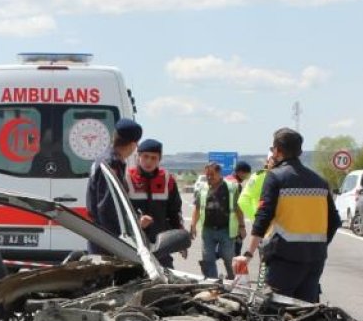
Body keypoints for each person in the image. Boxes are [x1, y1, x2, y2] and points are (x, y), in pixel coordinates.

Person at [233, 128, 339, 303]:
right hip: (315, 259)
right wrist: (319, 244)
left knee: (271, 313)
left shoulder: (275, 177)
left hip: (283, 259)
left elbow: (263, 217)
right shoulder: (319, 181)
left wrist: (248, 253)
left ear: (276, 151)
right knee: (306, 313)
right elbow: (334, 221)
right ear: (300, 152)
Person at [123, 138, 184, 267]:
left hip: (161, 244)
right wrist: (138, 221)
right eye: (145, 156)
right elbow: (120, 212)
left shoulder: (167, 180)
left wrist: (180, 240)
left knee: (167, 281)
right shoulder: (127, 178)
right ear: (138, 156)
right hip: (133, 244)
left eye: (153, 158)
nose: (149, 161)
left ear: (159, 159)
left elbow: (175, 212)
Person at [85, 118, 142, 255]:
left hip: (101, 236)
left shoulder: (106, 160)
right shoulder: (111, 165)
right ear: (133, 145)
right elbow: (107, 207)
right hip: (107, 240)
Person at [189, 162, 245, 278]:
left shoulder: (231, 187)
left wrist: (242, 226)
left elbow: (238, 209)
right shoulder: (202, 188)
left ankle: (233, 281)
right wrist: (193, 225)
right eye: (207, 175)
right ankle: (213, 283)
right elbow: (198, 207)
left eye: (212, 174)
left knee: (229, 257)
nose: (209, 177)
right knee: (208, 258)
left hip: (226, 230)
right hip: (208, 230)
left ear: (219, 173)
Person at [228, 161, 251, 255]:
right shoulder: (237, 185)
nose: (247, 177)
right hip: (233, 225)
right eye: (246, 174)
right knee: (236, 252)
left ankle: (210, 260)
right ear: (240, 172)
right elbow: (238, 208)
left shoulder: (224, 181)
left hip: (221, 223)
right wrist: (242, 227)